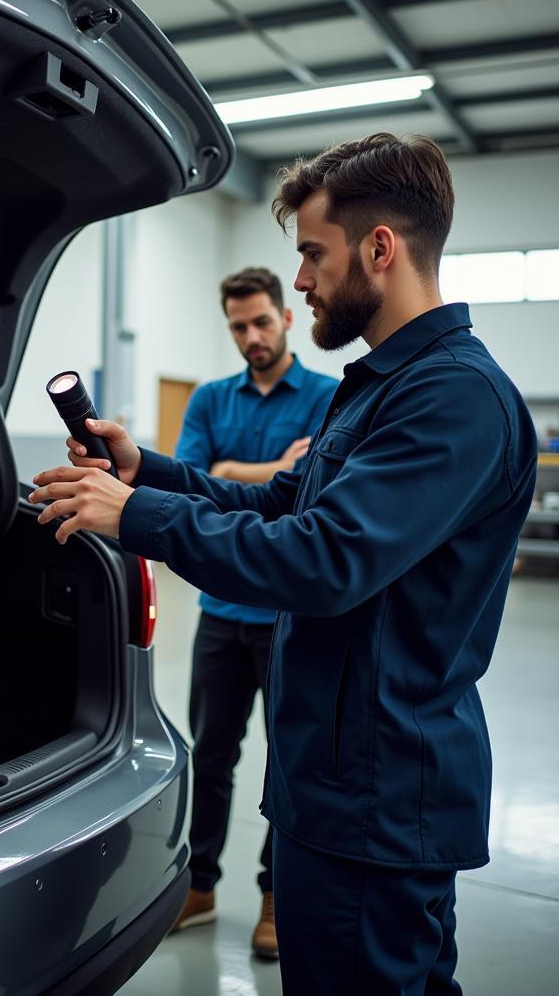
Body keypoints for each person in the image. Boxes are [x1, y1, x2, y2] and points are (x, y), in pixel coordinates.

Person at [28, 133, 539, 993]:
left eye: (311, 254)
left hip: (377, 796)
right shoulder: (381, 385)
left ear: (380, 249)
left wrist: (138, 517)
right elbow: (279, 505)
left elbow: (322, 559)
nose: (298, 281)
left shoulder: (453, 396)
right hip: (332, 780)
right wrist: (145, 472)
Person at [170, 266, 337, 959]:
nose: (251, 337)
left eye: (262, 321)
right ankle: (199, 886)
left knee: (288, 765)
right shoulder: (210, 399)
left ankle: (276, 899)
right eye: (239, 326)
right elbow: (190, 485)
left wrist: (231, 471)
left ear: (286, 318)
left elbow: (312, 497)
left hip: (285, 618)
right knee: (209, 756)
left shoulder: (330, 396)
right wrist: (269, 469)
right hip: (218, 613)